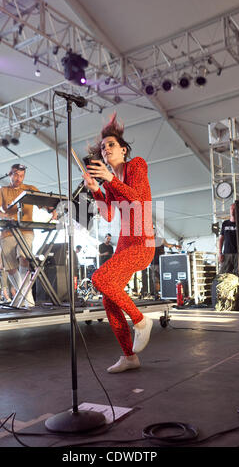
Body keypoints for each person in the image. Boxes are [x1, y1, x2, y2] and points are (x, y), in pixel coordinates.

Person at [83, 113, 155, 373]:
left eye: (111, 145)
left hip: (142, 242)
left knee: (100, 279)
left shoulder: (136, 165)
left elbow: (137, 199)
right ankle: (129, 357)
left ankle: (140, 320)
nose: (106, 149)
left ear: (123, 149)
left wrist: (109, 180)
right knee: (108, 299)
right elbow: (109, 214)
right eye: (103, 148)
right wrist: (95, 188)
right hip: (125, 244)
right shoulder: (111, 182)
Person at [0, 163, 57, 308]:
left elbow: (44, 203)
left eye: (22, 175)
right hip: (7, 232)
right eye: (16, 175)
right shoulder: (2, 191)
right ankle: (25, 299)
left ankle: (27, 300)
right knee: (10, 268)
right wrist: (4, 216)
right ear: (10, 174)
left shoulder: (30, 189)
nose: (19, 178)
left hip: (26, 231)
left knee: (24, 258)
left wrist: (52, 210)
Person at [150, 232, 181, 298]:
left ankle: (161, 294)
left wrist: (174, 245)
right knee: (157, 280)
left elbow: (167, 245)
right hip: (155, 263)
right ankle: (158, 294)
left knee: (160, 279)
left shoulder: (158, 239)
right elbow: (168, 245)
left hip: (159, 262)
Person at [218, 203, 238, 275]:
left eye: (234, 209)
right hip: (226, 254)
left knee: (238, 275)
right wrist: (220, 253)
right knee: (223, 275)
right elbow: (221, 239)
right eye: (231, 209)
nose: (232, 211)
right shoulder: (225, 223)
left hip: (238, 254)